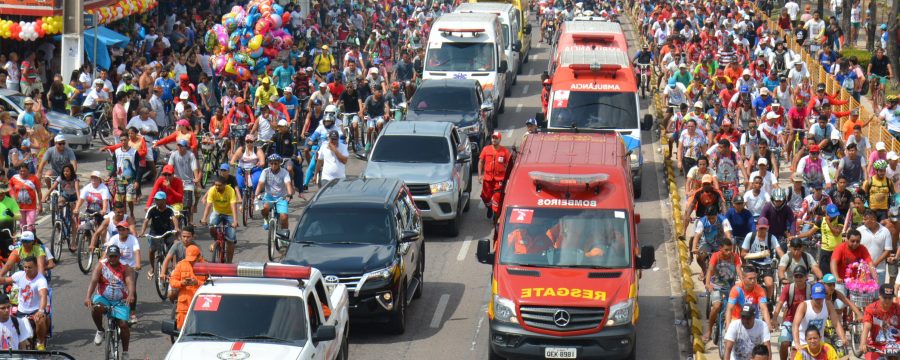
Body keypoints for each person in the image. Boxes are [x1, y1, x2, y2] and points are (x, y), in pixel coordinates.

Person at [85, 245, 134, 360]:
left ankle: (125, 352)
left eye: (115, 256)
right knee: (96, 307)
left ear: (119, 256)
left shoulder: (125, 268)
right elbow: (93, 282)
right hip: (104, 298)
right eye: (110, 256)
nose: (113, 259)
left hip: (120, 300)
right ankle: (100, 330)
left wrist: (131, 295)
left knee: (123, 325)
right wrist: (88, 297)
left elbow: (130, 283)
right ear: (107, 256)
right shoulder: (101, 266)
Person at [0, 256, 48, 350]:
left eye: (30, 267)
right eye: (25, 267)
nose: (27, 269)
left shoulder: (41, 280)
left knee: (40, 319)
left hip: (35, 310)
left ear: (36, 267)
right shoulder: (19, 275)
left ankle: (41, 343)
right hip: (21, 311)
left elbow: (43, 296)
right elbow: (5, 280)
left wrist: (41, 310)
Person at [703, 238, 743, 343]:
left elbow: (739, 271)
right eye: (726, 250)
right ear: (720, 249)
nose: (728, 252)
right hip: (716, 286)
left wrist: (744, 283)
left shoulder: (735, 257)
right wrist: (707, 284)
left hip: (730, 287)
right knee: (716, 306)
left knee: (736, 308)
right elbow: (710, 270)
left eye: (730, 249)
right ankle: (709, 330)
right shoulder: (715, 256)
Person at [791, 282, 845, 356]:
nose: (819, 301)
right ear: (811, 296)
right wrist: (797, 344)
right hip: (802, 342)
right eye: (816, 298)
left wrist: (843, 337)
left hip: (818, 344)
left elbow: (836, 324)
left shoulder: (828, 305)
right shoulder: (804, 306)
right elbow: (795, 325)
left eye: (821, 298)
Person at [103, 220, 140, 324]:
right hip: (117, 267)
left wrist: (138, 264)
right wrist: (102, 262)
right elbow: (107, 252)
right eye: (119, 229)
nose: (121, 231)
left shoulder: (133, 239)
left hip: (131, 268)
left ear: (127, 230)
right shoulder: (114, 239)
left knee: (131, 289)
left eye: (123, 229)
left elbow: (137, 252)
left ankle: (132, 312)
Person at [773, 265, 811, 360]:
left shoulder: (810, 289)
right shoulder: (788, 288)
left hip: (805, 321)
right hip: (790, 320)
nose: (798, 278)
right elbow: (780, 303)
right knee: (784, 343)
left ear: (806, 277)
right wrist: (774, 319)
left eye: (801, 276)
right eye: (796, 276)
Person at [139, 191, 179, 280]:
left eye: (158, 200)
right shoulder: (152, 209)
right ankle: (152, 268)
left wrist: (176, 228)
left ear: (164, 200)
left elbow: (174, 218)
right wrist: (142, 232)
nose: (156, 201)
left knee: (172, 249)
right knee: (151, 250)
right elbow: (146, 221)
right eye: (155, 200)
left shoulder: (170, 209)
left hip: (167, 232)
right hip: (155, 233)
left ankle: (174, 267)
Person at [200, 176, 239, 262]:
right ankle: (217, 240)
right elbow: (209, 205)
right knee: (211, 226)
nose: (217, 187)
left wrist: (235, 221)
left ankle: (229, 263)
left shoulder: (230, 190)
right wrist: (204, 218)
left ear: (225, 185)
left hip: (229, 213)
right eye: (216, 185)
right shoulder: (212, 190)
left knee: (231, 240)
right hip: (217, 212)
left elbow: (233, 205)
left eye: (219, 185)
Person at [168, 245, 207, 329]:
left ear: (199, 256)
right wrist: (181, 283)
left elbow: (211, 285)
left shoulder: (206, 266)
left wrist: (197, 282)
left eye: (193, 259)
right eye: (189, 259)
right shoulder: (180, 265)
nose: (191, 262)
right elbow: (172, 281)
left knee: (200, 327)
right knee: (181, 327)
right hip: (184, 304)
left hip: (200, 302)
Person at [479, 131, 512, 220]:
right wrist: (479, 175)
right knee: (485, 197)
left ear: (500, 139)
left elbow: (509, 164)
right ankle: (489, 207)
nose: (494, 140)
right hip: (487, 179)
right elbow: (481, 161)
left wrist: (509, 177)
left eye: (496, 138)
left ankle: (495, 216)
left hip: (499, 180)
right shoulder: (486, 149)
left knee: (497, 199)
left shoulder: (505, 151)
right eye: (493, 138)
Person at [255, 155, 293, 232]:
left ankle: (284, 236)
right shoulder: (265, 171)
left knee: (284, 217)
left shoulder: (284, 172)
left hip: (281, 197)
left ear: (279, 163)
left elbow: (288, 184)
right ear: (269, 163)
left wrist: (289, 194)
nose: (273, 165)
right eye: (271, 163)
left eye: (275, 163)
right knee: (264, 207)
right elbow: (260, 184)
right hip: (269, 196)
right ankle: (266, 219)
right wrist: (256, 195)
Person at [831, 229, 876, 294]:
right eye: (852, 241)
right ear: (847, 239)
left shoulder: (862, 248)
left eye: (858, 241)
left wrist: (875, 277)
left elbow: (870, 263)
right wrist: (836, 277)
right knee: (840, 304)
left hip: (856, 283)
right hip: (841, 281)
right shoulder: (840, 248)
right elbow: (833, 263)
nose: (855, 243)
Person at [860, 284, 900, 356]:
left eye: (890, 298)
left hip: (896, 345)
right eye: (885, 297)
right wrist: (863, 343)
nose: (887, 300)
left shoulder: (898, 309)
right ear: (879, 296)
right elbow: (866, 328)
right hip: (876, 345)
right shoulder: (871, 308)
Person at [168, 139, 200, 224]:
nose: (180, 148)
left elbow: (194, 168)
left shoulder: (190, 155)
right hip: (176, 181)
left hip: (188, 182)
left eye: (182, 146)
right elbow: (169, 167)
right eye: (178, 146)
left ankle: (190, 221)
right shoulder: (173, 155)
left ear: (186, 147)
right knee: (173, 202)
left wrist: (196, 178)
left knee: (188, 204)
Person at [858, 209, 893, 283]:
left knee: (878, 294)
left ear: (873, 219)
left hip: (879, 270)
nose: (863, 221)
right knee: (864, 294)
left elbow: (888, 250)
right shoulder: (859, 230)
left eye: (865, 219)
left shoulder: (885, 231)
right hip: (863, 270)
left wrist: (874, 264)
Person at [9, 163, 40, 231]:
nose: (22, 173)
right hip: (19, 207)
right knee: (22, 227)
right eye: (21, 171)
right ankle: (24, 240)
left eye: (24, 171)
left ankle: (32, 238)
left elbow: (39, 192)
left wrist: (40, 204)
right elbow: (9, 186)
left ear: (28, 171)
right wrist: (13, 196)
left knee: (30, 226)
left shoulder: (34, 178)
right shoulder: (14, 178)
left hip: (31, 207)